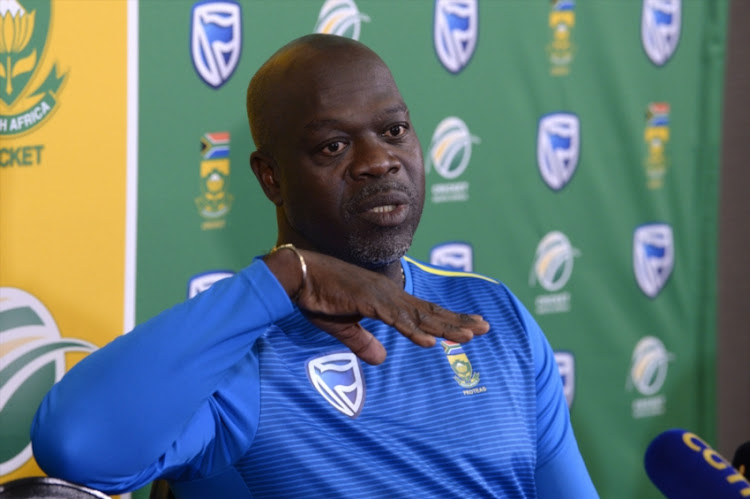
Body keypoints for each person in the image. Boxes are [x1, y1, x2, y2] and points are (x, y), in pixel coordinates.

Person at [31, 34, 598, 498]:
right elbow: (74, 446)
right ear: (270, 176)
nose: (379, 161)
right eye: (332, 146)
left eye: (394, 130)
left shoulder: (491, 314)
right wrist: (286, 278)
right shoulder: (237, 353)